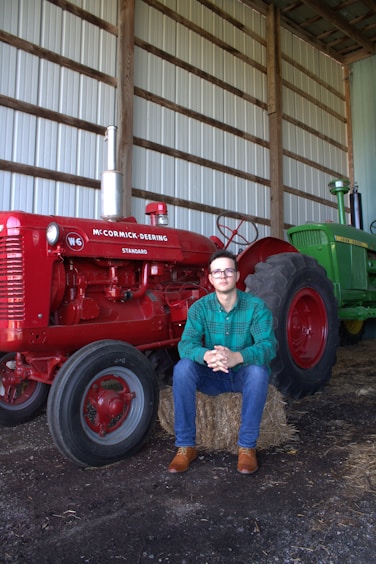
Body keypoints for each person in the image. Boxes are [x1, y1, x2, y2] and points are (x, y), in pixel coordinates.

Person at [168, 249, 277, 475]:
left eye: (228, 270)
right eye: (217, 272)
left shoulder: (256, 307)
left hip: (242, 375)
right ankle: (186, 446)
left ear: (237, 276)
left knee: (258, 372)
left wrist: (238, 356)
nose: (223, 276)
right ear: (210, 278)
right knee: (183, 368)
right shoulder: (200, 308)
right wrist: (207, 355)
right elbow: (185, 344)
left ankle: (247, 447)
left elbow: (268, 345)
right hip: (212, 375)